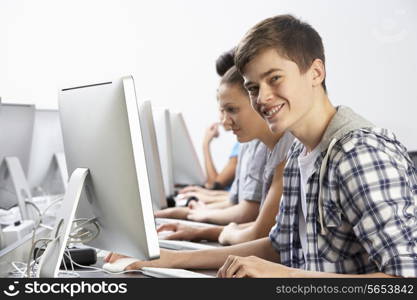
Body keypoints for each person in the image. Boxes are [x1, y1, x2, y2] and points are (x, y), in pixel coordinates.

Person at [106, 15, 417, 278]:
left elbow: (403, 280)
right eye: (253, 87)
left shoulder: (359, 154)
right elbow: (279, 246)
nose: (262, 98)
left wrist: (282, 275)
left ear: (316, 72)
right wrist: (170, 260)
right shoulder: (300, 152)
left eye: (275, 78)